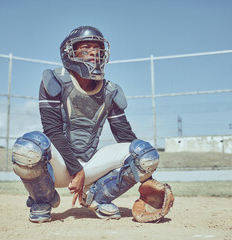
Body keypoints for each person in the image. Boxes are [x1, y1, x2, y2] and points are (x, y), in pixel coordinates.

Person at [12, 26, 161, 223]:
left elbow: (124, 136)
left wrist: (146, 177)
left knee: (145, 154)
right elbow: (52, 130)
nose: (93, 52)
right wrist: (76, 170)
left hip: (90, 165)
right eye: (86, 47)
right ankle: (43, 199)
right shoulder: (55, 80)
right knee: (27, 147)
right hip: (59, 164)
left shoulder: (111, 91)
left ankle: (97, 198)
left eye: (98, 49)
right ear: (70, 53)